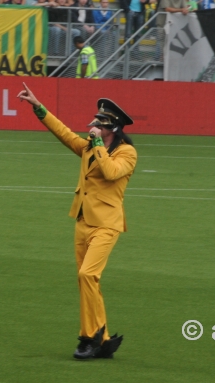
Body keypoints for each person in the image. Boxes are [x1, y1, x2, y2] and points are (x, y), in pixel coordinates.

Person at [16, 86, 136, 360]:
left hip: (107, 223)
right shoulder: (88, 146)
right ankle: (100, 339)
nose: (93, 126)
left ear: (112, 128)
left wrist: (96, 146)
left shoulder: (127, 153)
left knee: (88, 275)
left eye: (100, 124)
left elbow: (110, 172)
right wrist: (38, 106)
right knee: (86, 282)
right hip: (83, 221)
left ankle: (90, 338)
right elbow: (64, 133)